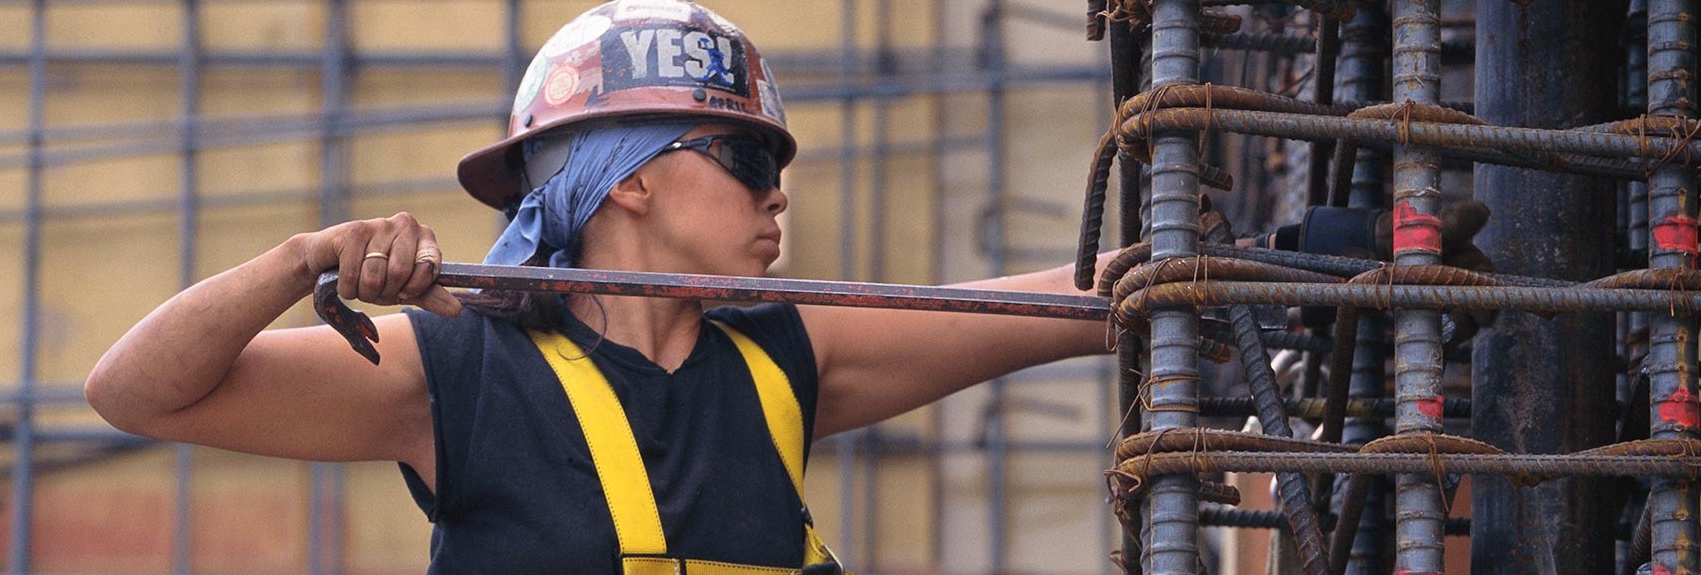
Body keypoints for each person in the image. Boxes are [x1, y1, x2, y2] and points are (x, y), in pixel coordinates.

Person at [85, 1, 1112, 573]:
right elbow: (132, 391)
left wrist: (1217, 263)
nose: (779, 197)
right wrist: (300, 258)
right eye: (748, 161)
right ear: (630, 174)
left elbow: (1066, 303)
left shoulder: (785, 355)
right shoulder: (452, 370)